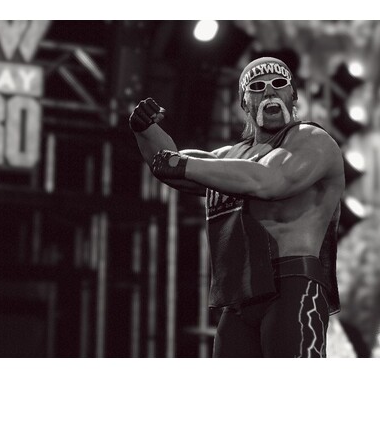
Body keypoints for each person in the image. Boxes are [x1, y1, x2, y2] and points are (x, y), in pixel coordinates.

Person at [129, 56, 345, 357]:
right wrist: (145, 130)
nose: (269, 91)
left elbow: (269, 180)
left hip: (292, 284)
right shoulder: (231, 156)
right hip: (239, 296)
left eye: (278, 83)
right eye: (257, 87)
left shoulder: (312, 140)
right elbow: (168, 164)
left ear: (293, 95)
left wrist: (180, 164)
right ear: (244, 103)